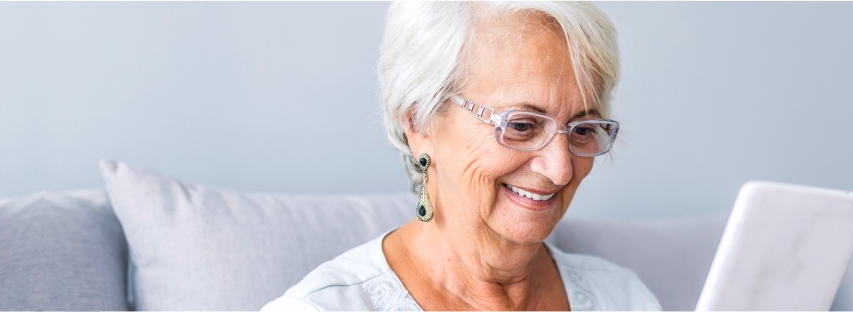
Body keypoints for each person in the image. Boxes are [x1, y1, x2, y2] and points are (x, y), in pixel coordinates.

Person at [262, 1, 658, 311]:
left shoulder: (624, 298)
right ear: (419, 123)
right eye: (521, 125)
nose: (560, 169)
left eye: (583, 129)